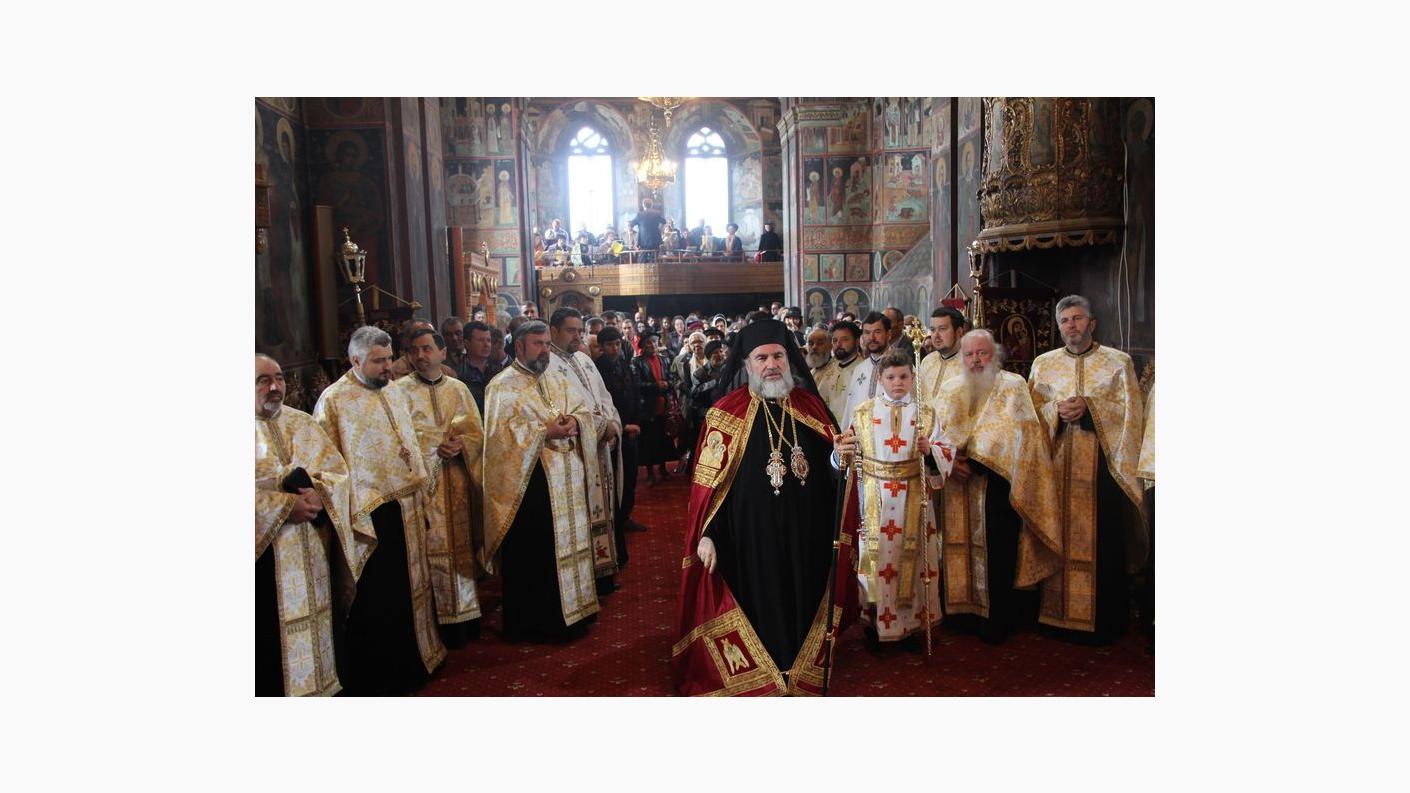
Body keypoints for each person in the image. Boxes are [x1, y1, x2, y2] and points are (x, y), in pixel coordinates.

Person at [671, 320, 860, 696]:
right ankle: (765, 670)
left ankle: (799, 666)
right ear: (747, 364)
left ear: (789, 360)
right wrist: (708, 534)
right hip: (749, 537)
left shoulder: (811, 407)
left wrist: (838, 458)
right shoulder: (724, 414)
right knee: (763, 599)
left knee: (802, 595)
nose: (771, 364)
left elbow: (833, 472)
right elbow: (708, 490)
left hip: (806, 534)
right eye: (762, 358)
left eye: (778, 356)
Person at [313, 326, 445, 694]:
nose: (388, 367)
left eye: (389, 359)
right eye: (378, 361)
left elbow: (409, 443)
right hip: (369, 512)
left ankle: (416, 658)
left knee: (410, 588)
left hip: (407, 504)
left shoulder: (394, 390)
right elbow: (325, 462)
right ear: (355, 360)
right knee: (379, 595)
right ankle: (382, 676)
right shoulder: (334, 401)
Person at [1028, 295, 1148, 642]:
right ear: (1059, 327)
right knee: (1057, 534)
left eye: (1078, 318)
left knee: (1103, 541)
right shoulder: (1043, 364)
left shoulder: (1117, 362)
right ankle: (1055, 618)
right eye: (1065, 320)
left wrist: (1090, 408)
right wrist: (1054, 411)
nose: (1072, 325)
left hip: (1102, 471)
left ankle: (1103, 623)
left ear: (1092, 323)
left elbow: (1131, 416)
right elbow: (1030, 415)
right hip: (1056, 466)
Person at [933, 330, 1062, 644]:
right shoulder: (950, 388)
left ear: (995, 355)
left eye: (982, 353)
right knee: (956, 548)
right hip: (955, 482)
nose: (975, 360)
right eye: (969, 354)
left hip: (998, 483)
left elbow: (1023, 435)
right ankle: (961, 617)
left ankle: (996, 620)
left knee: (998, 552)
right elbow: (936, 432)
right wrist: (948, 461)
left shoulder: (1012, 385)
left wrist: (977, 462)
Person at [481, 320, 604, 640]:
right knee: (537, 554)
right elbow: (498, 442)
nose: (545, 350)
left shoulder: (556, 377)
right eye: (538, 344)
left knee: (571, 546)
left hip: (567, 479)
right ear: (519, 347)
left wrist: (574, 421)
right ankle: (538, 623)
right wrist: (543, 432)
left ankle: (576, 613)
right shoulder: (501, 386)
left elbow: (582, 410)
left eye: (548, 344)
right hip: (530, 486)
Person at [255, 353, 369, 696]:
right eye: (263, 380)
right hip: (266, 561)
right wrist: (284, 505)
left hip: (313, 550)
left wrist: (321, 495)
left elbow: (337, 472)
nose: (275, 387)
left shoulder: (302, 422)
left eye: (279, 378)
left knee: (321, 627)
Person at [833, 350, 955, 647]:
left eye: (903, 376)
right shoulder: (863, 412)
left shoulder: (926, 413)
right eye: (890, 377)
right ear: (880, 379)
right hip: (875, 498)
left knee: (915, 562)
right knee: (879, 563)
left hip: (914, 495)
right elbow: (846, 453)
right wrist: (840, 451)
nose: (897, 382)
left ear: (913, 378)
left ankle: (912, 626)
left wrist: (931, 451)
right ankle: (877, 627)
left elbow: (946, 449)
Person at [389, 328, 485, 647]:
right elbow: (397, 441)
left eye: (427, 348)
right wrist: (433, 447)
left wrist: (462, 444)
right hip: (423, 489)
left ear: (442, 353)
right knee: (429, 550)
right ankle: (436, 624)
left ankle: (466, 617)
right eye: (414, 350)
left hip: (458, 481)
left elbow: (476, 433)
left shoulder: (458, 389)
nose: (420, 355)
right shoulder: (397, 392)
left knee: (462, 546)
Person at [547, 308, 624, 594]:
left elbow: (603, 398)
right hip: (577, 453)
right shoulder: (548, 366)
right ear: (554, 330)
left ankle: (605, 573)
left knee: (603, 509)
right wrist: (601, 427)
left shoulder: (584, 359)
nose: (578, 336)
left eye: (580, 330)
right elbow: (563, 411)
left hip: (599, 449)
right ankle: (588, 579)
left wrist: (612, 424)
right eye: (571, 330)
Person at [594, 326, 646, 551]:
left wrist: (637, 423)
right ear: (601, 347)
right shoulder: (597, 369)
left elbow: (634, 394)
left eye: (617, 344)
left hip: (632, 428)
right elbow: (604, 405)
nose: (615, 348)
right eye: (609, 345)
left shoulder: (625, 364)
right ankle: (616, 517)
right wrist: (623, 427)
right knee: (616, 476)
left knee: (631, 475)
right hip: (614, 432)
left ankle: (625, 515)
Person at [631, 330, 676, 485]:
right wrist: (656, 386)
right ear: (642, 345)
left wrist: (668, 384)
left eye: (655, 341)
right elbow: (637, 385)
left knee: (663, 439)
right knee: (649, 441)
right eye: (649, 342)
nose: (653, 345)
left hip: (663, 406)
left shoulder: (664, 359)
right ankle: (650, 472)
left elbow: (672, 379)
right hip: (647, 408)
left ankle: (663, 468)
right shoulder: (637, 362)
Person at [838, 311, 893, 432]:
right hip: (859, 438)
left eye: (877, 332)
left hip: (889, 437)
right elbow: (850, 408)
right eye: (867, 332)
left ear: (889, 334)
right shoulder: (859, 369)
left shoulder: (902, 366)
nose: (872, 338)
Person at [917, 306, 967, 405]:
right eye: (933, 330)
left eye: (942, 329)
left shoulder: (969, 365)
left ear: (959, 332)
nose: (936, 335)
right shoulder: (927, 361)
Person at [814, 320, 860, 425]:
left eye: (844, 339)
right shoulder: (825, 369)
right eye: (835, 340)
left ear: (857, 341)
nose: (838, 344)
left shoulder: (863, 371)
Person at [390, 319, 457, 381]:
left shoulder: (448, 373)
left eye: (430, 335)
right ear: (406, 341)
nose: (426, 338)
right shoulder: (393, 373)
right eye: (419, 335)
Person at [457, 320, 501, 412]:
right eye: (480, 340)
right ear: (467, 343)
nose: (486, 345)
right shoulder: (457, 373)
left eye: (488, 340)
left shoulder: (499, 371)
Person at [631, 198, 666, 262]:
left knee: (642, 260)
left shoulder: (639, 215)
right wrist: (660, 231)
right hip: (655, 240)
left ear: (643, 205)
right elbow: (664, 222)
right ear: (651, 205)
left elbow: (631, 224)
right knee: (654, 259)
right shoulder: (657, 213)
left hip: (643, 241)